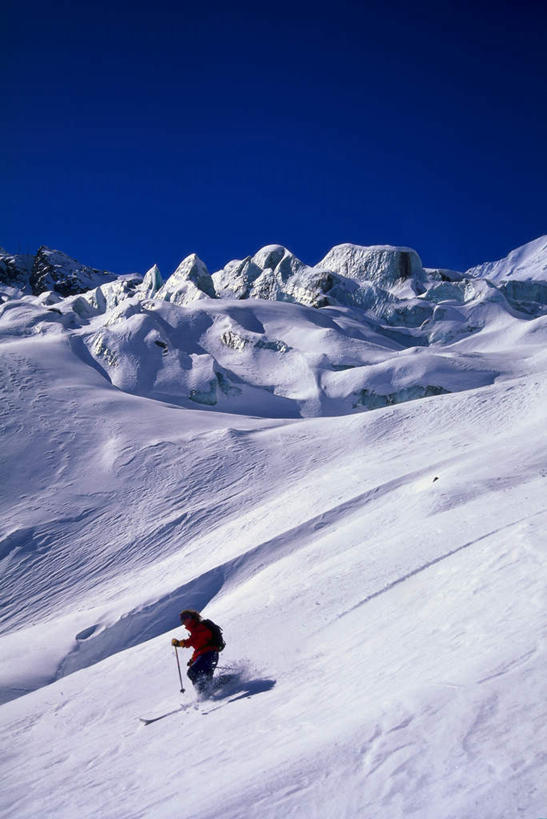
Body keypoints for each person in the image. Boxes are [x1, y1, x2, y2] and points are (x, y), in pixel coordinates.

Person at [171, 609, 220, 697]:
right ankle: (209, 690)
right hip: (207, 654)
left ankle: (204, 694)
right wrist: (193, 659)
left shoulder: (200, 626)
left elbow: (198, 642)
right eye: (182, 619)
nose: (184, 620)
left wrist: (181, 643)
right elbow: (199, 648)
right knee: (200, 674)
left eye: (185, 617)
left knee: (193, 672)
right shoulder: (194, 629)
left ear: (191, 617)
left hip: (210, 654)